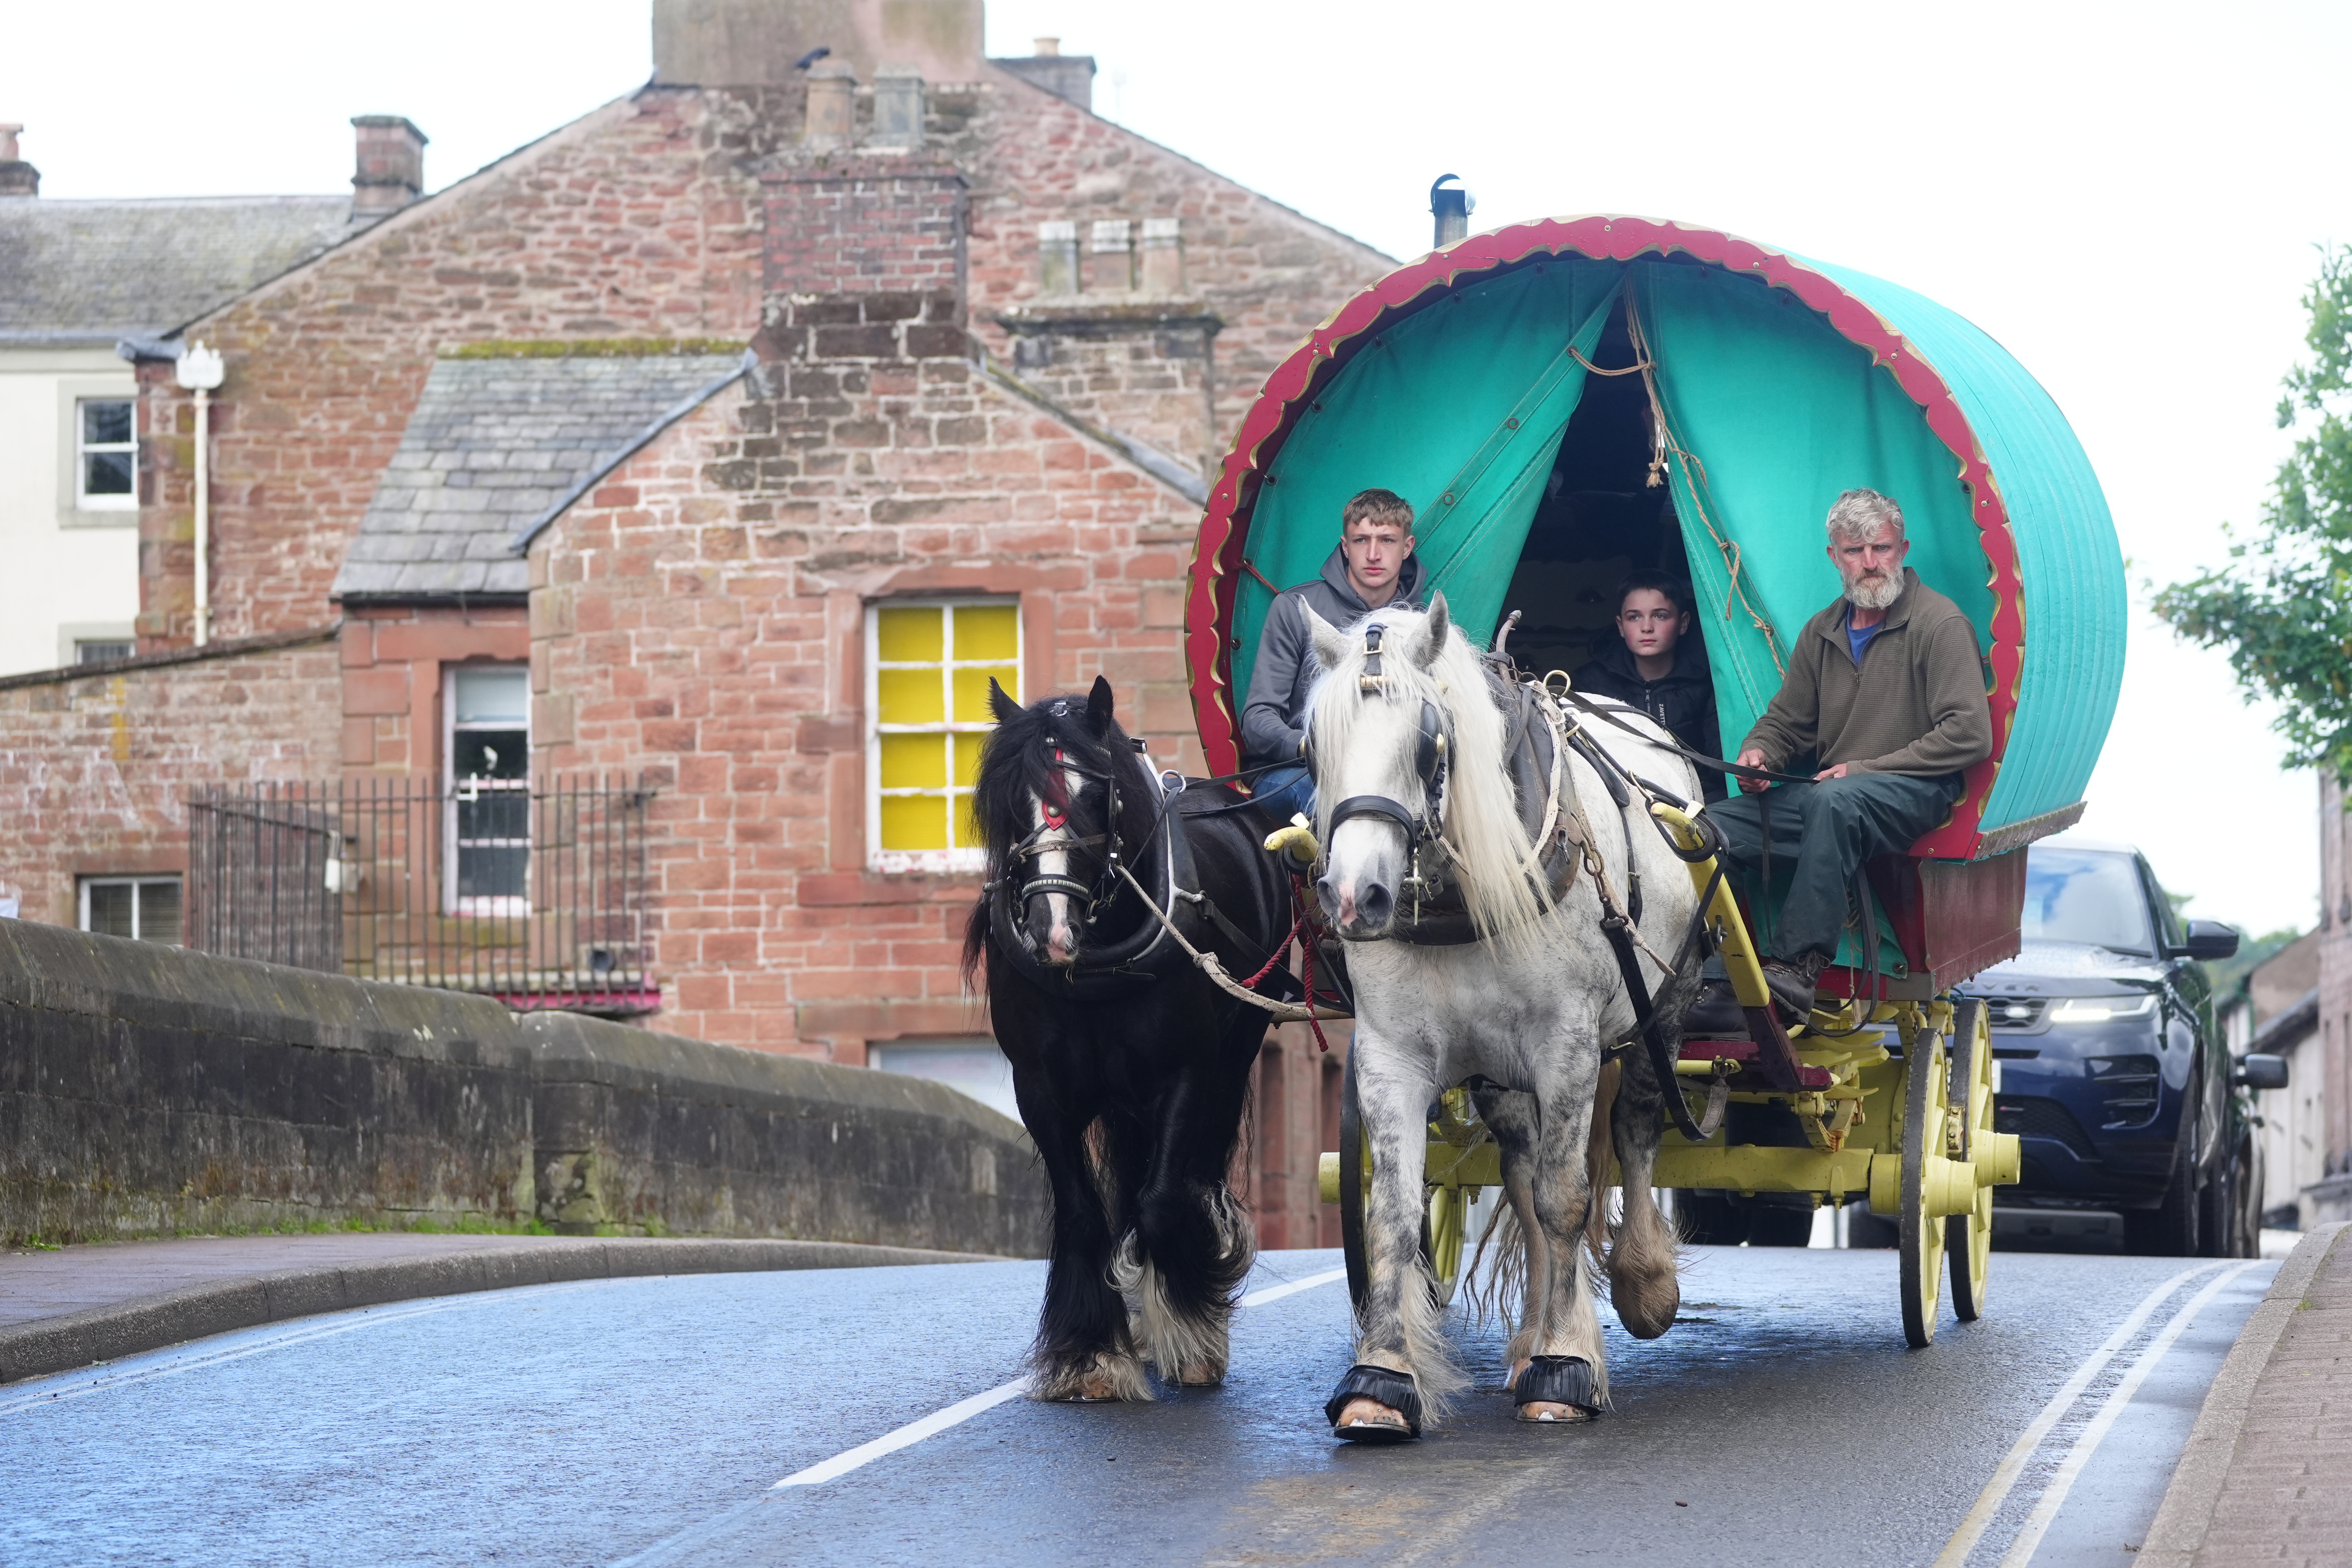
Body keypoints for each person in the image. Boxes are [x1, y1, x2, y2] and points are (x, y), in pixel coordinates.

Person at [1685, 488, 1994, 1033]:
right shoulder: (1821, 631)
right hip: (1835, 799)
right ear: (1834, 556)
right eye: (1855, 551)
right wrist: (1761, 753)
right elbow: (1788, 722)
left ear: (1903, 548)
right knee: (1705, 828)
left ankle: (1794, 971)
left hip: (1915, 791)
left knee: (1833, 799)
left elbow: (1970, 735)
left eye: (1882, 548)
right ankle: (1710, 977)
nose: (1871, 563)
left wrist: (1862, 770)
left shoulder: (1939, 623)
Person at [1241, 487, 1425, 831]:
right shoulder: (1294, 609)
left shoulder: (1421, 625)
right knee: (1337, 806)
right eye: (1361, 540)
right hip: (1297, 772)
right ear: (1345, 545)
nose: (1373, 554)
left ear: (1407, 547)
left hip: (1390, 778)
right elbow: (1258, 718)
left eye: (1386, 540)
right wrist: (1309, 747)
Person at [1570, 569, 1726, 802]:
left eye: (1660, 616)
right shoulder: (1590, 683)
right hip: (1617, 802)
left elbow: (1720, 767)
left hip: (1695, 804)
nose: (1647, 628)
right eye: (1634, 617)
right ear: (1621, 626)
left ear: (1683, 623)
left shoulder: (1708, 683)